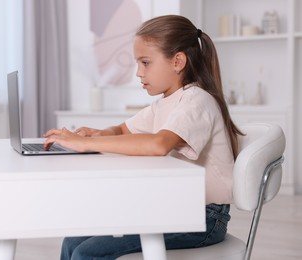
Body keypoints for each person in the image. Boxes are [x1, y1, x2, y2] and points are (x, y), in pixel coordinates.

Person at [43, 14, 243, 260]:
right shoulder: (164, 104)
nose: (138, 73)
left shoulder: (196, 100)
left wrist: (85, 143)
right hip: (173, 208)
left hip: (204, 218)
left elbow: (159, 144)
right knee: (73, 241)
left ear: (178, 61)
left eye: (145, 63)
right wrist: (98, 133)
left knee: (87, 253)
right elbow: (124, 130)